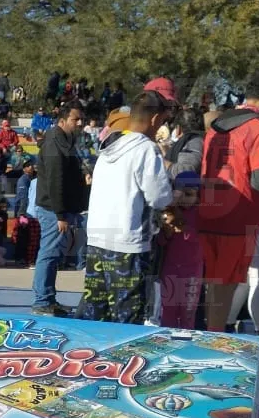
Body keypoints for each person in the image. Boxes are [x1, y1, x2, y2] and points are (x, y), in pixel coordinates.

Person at [198, 70, 259, 331]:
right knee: (226, 285)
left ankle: (209, 334)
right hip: (239, 216)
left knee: (213, 284)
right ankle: (214, 342)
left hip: (209, 210)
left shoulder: (217, 123)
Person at [78, 92, 174, 324]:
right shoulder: (145, 149)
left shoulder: (108, 147)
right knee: (127, 316)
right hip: (128, 243)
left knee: (95, 311)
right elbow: (159, 197)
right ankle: (123, 360)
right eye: (162, 122)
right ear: (155, 119)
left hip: (97, 240)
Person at [32, 103, 87, 316]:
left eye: (81, 119)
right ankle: (42, 301)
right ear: (62, 121)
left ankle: (48, 299)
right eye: (76, 119)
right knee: (49, 253)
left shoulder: (65, 141)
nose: (80, 123)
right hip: (52, 209)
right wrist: (60, 214)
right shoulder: (55, 143)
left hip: (60, 208)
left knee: (54, 255)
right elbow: (56, 181)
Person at [157, 172, 204, 329]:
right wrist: (167, 230)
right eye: (180, 194)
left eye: (189, 194)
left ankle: (185, 345)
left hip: (191, 272)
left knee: (187, 313)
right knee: (168, 311)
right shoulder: (169, 213)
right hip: (170, 270)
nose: (184, 198)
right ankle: (165, 342)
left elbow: (199, 238)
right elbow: (161, 242)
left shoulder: (201, 214)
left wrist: (181, 227)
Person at [165, 106, 206, 178]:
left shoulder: (194, 141)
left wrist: (160, 161)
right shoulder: (199, 139)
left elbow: (186, 173)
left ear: (178, 129)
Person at [11, 160, 36, 265]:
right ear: (24, 168)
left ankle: (22, 258)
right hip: (23, 211)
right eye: (29, 166)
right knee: (21, 236)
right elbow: (23, 197)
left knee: (26, 236)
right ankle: (19, 258)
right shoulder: (23, 180)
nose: (31, 168)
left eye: (32, 166)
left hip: (26, 210)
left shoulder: (30, 179)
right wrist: (22, 213)